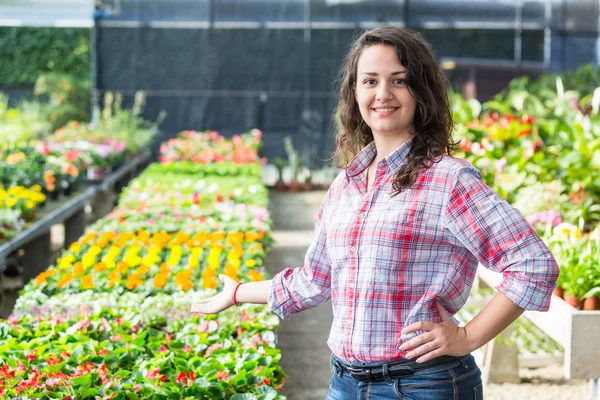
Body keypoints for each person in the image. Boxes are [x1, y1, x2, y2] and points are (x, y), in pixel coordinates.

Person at [191, 26, 559, 399]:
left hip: (422, 385)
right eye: (370, 81)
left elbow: (533, 264)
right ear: (355, 93)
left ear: (421, 91)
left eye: (399, 80)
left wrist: (467, 337)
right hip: (345, 384)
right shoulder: (345, 186)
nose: (383, 94)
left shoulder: (449, 181)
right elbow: (315, 280)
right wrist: (237, 292)